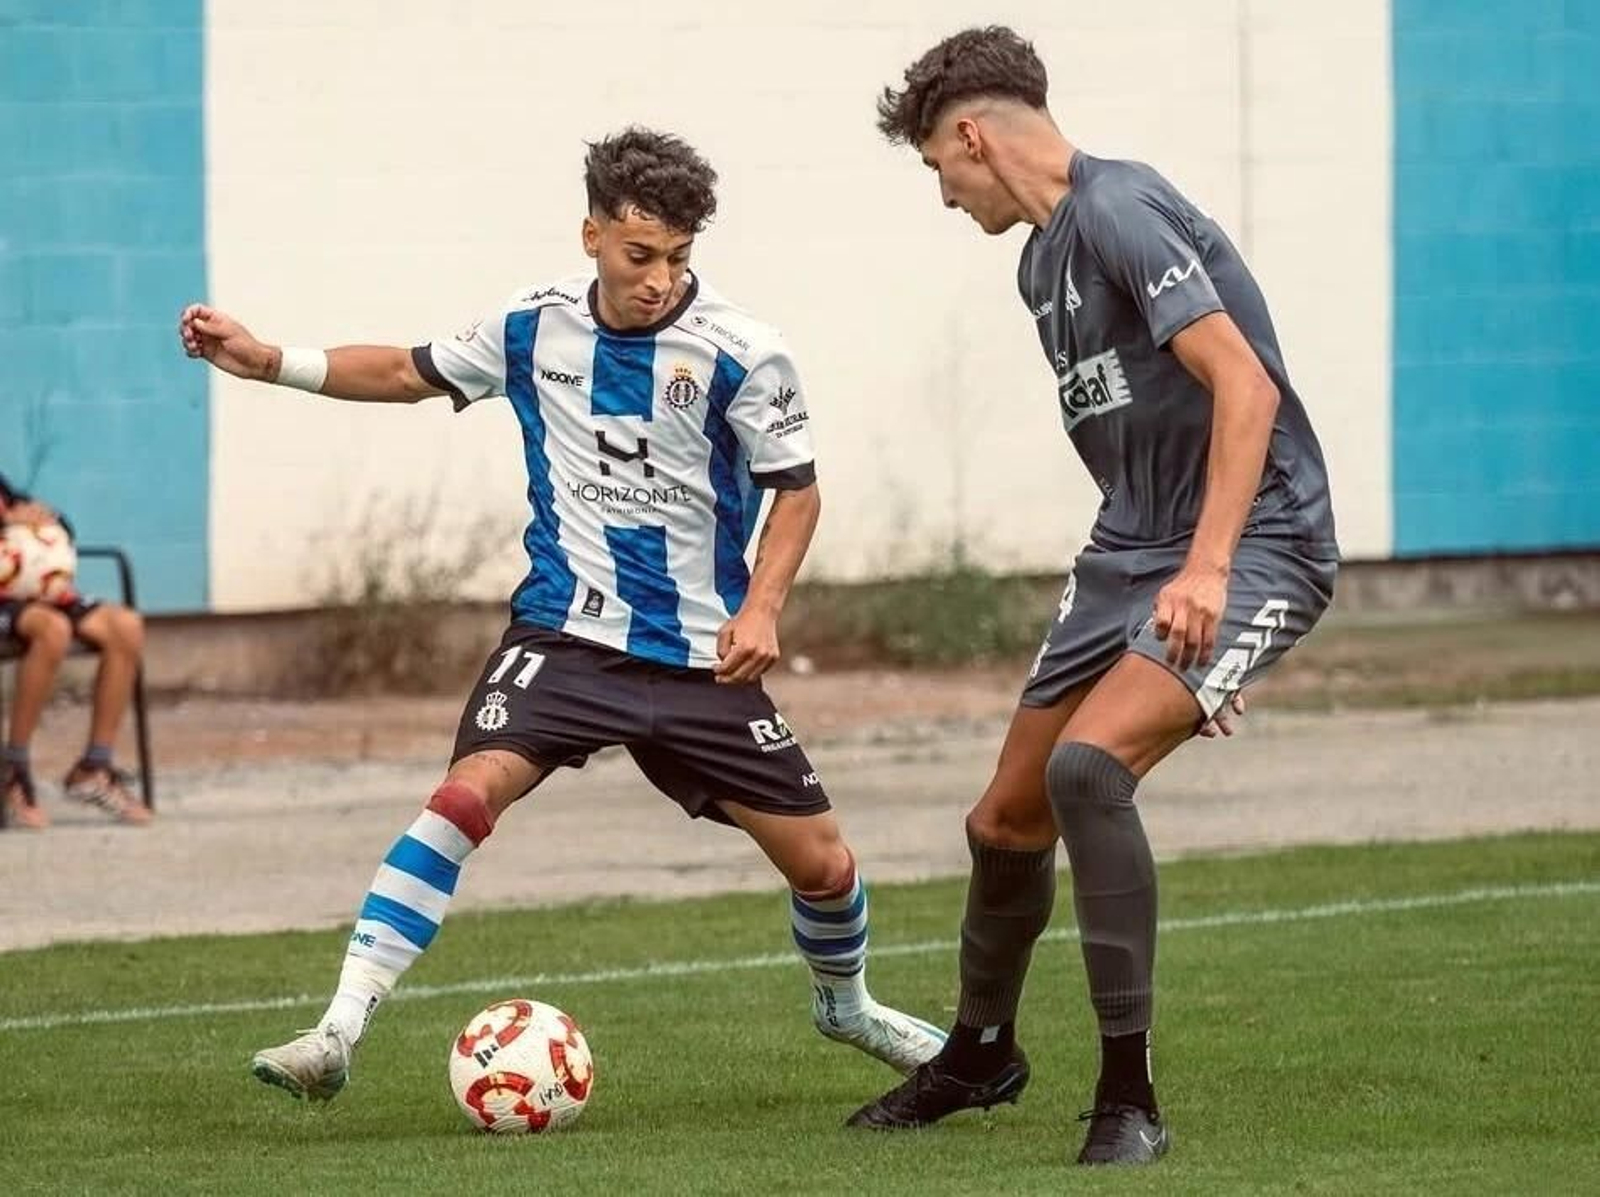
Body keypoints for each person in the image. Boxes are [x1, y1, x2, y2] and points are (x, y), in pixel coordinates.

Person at [179, 127, 945, 1103]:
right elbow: (409, 372)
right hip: (565, 637)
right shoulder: (530, 327)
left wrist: (761, 608)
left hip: (702, 658)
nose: (660, 279)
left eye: (678, 258)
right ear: (591, 235)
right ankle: (336, 1030)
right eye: (639, 256)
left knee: (825, 864)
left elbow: (796, 491)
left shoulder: (744, 353)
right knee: (463, 796)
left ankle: (846, 1004)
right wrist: (265, 359)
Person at [848, 27, 1340, 1166]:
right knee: (1003, 822)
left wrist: (1213, 579)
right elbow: (1133, 428)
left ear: (972, 134)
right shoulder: (1040, 261)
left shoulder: (1119, 210)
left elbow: (1245, 387)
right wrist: (1181, 655)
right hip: (1128, 555)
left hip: (1255, 537)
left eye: (936, 167)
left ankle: (1132, 1101)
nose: (943, 195)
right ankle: (979, 1054)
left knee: (1086, 772)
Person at [0, 472, 151, 828]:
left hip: (30, 591)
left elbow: (54, 524)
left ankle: (93, 768)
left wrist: (46, 518)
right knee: (53, 630)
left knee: (125, 627)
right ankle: (13, 771)